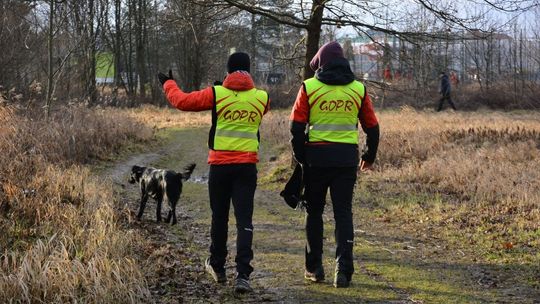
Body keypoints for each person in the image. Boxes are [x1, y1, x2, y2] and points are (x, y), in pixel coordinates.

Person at [157, 52, 270, 294]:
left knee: (219, 217)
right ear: (249, 71)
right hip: (247, 168)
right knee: (244, 221)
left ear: (227, 71)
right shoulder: (262, 98)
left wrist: (168, 83)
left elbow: (182, 102)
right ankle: (243, 275)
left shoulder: (217, 94)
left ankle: (217, 266)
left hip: (220, 167)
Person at [289, 41, 380, 288]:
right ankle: (343, 271)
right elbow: (372, 126)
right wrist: (368, 156)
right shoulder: (358, 89)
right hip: (346, 160)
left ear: (321, 63)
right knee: (343, 213)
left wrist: (301, 157)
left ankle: (315, 268)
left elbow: (296, 127)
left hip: (316, 160)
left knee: (314, 212)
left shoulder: (309, 87)